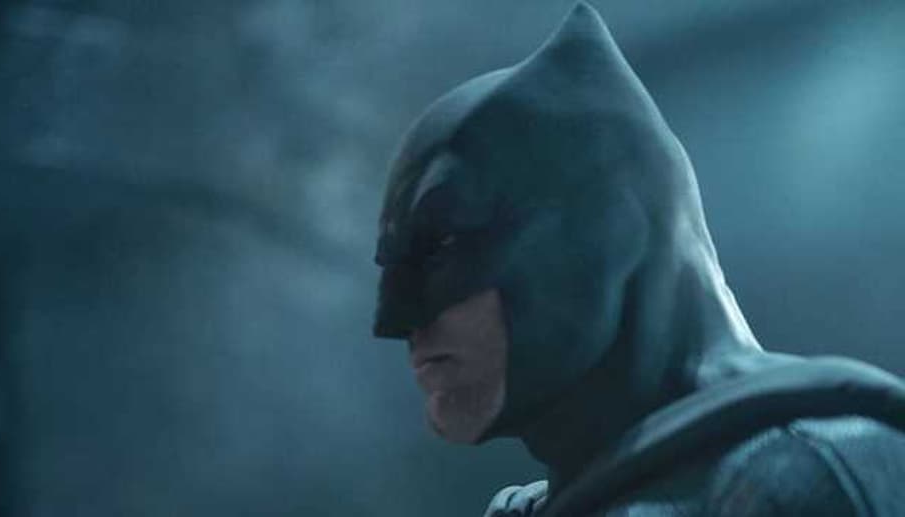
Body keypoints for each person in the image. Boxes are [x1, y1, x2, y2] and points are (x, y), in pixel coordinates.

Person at [371, 3, 905, 516]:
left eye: (443, 246)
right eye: (393, 266)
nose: (396, 322)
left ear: (612, 227)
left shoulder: (803, 478)